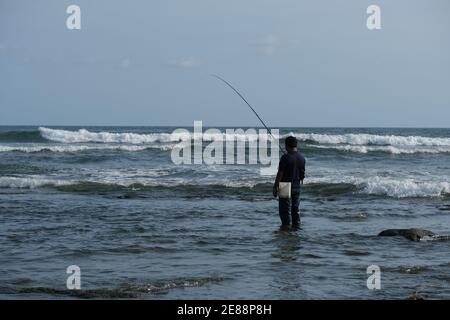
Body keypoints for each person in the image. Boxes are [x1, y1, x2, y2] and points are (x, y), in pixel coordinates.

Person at [273, 136, 306, 227]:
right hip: (296, 186)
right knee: (295, 209)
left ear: (287, 145)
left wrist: (275, 186)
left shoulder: (285, 157)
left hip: (284, 185)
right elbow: (302, 175)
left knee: (284, 210)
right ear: (296, 145)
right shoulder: (302, 158)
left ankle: (286, 228)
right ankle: (296, 228)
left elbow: (280, 173)